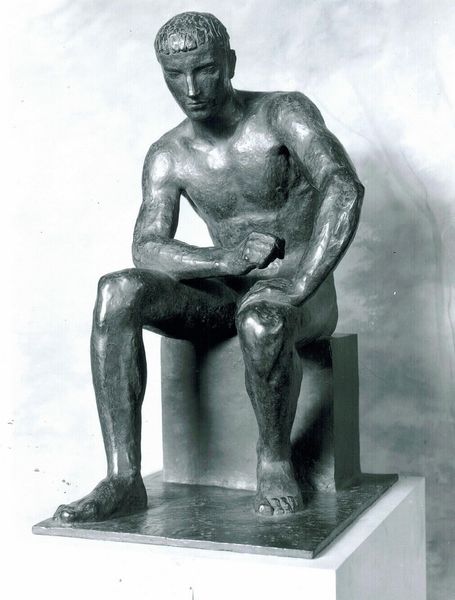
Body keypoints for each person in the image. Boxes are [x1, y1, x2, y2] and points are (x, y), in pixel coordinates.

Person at [54, 11, 364, 521]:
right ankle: (123, 477)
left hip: (301, 290)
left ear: (230, 63)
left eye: (205, 70)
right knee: (117, 291)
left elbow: (343, 187)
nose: (192, 89)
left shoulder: (282, 114)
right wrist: (225, 258)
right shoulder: (169, 154)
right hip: (229, 289)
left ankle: (274, 460)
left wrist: (301, 282)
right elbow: (147, 247)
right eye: (176, 75)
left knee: (262, 321)